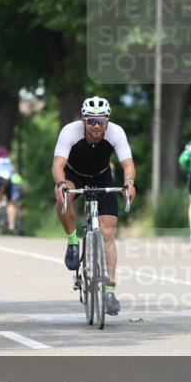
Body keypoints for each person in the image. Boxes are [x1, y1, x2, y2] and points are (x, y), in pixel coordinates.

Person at [52, 96, 137, 316]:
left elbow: (127, 164)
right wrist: (61, 184)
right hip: (74, 176)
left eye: (101, 121)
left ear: (107, 120)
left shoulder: (116, 133)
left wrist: (129, 184)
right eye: (91, 121)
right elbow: (58, 164)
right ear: (83, 120)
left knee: (108, 233)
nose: (96, 126)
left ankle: (109, 291)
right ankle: (72, 242)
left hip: (102, 177)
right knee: (63, 196)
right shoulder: (70, 131)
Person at [0, 156, 19, 233]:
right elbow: (13, 175)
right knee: (10, 202)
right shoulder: (11, 167)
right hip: (8, 183)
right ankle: (11, 224)